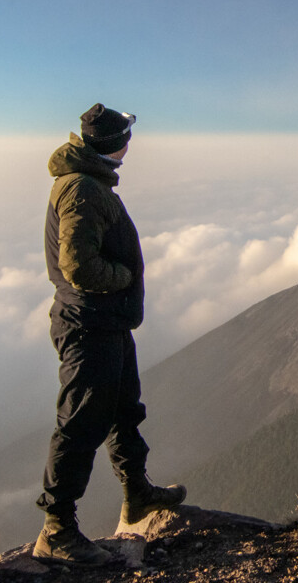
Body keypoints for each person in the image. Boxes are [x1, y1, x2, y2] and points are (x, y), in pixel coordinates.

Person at [33, 103, 185, 566]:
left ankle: (136, 493)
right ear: (114, 144)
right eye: (127, 137)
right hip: (89, 325)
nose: (130, 145)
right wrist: (123, 277)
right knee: (81, 422)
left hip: (105, 322)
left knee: (123, 410)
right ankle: (56, 528)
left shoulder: (88, 182)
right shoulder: (82, 190)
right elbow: (80, 266)